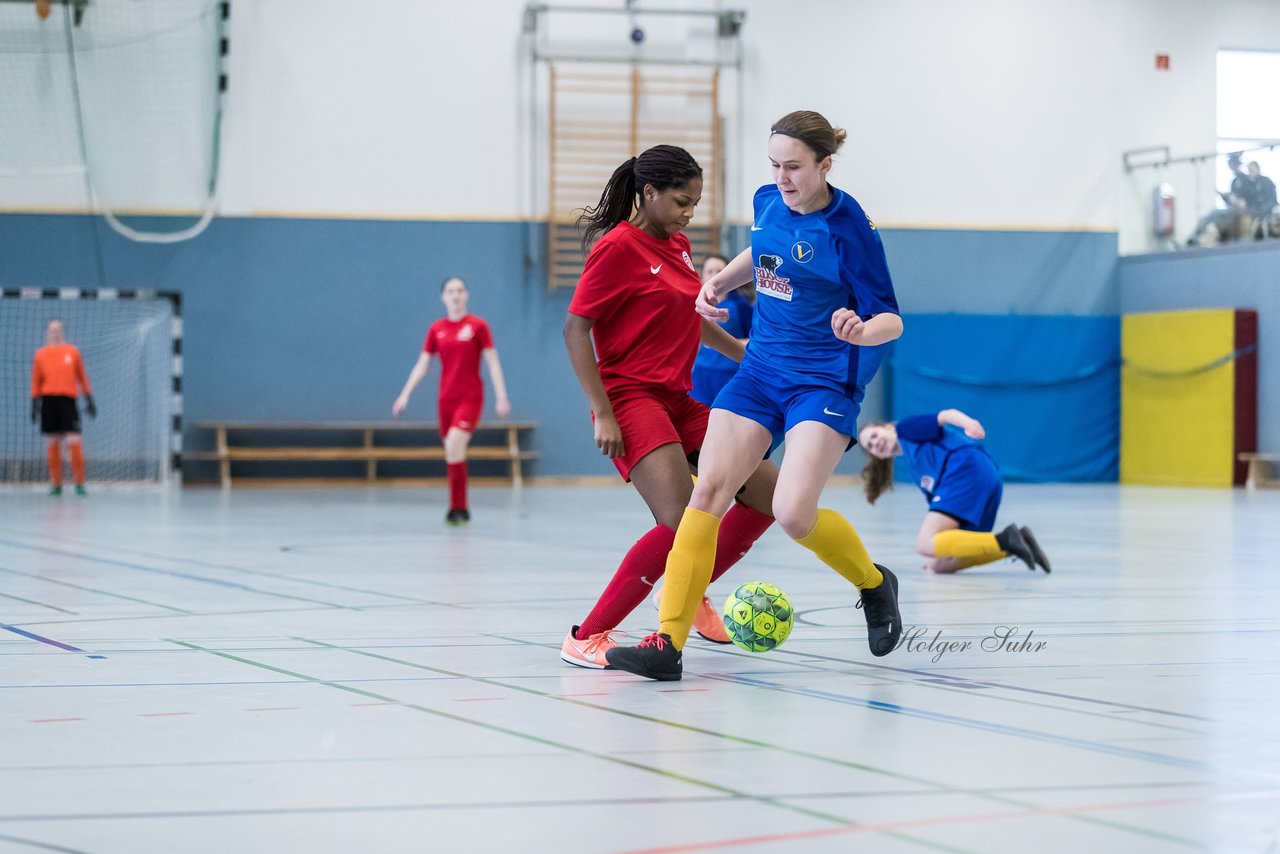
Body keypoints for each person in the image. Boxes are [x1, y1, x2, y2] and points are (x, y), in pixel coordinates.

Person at [607, 111, 905, 681]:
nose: (783, 177)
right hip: (760, 369)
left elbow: (890, 317)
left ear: (825, 165)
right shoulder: (768, 199)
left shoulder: (852, 233)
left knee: (793, 513)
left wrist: (862, 331)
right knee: (709, 494)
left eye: (795, 167)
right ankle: (666, 644)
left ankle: (873, 583)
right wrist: (720, 281)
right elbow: (766, 249)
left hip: (822, 379)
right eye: (775, 165)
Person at [560, 144, 779, 669]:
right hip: (630, 398)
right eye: (681, 201)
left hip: (678, 398)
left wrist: (740, 351)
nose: (688, 213)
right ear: (649, 193)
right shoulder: (616, 248)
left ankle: (684, 588)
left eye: (695, 203)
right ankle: (588, 635)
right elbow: (575, 328)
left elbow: (689, 315)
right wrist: (603, 411)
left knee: (770, 496)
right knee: (684, 520)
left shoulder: (677, 244)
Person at [858, 409, 1051, 575]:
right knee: (940, 564)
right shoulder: (914, 460)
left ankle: (1006, 540)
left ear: (887, 427)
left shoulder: (905, 429)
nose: (876, 444)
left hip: (965, 468)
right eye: (870, 446)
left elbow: (945, 415)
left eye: (874, 436)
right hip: (982, 475)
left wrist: (968, 423)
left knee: (925, 543)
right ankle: (1017, 543)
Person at [393, 277, 510, 526]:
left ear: (466, 295)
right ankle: (458, 506)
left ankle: (459, 508)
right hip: (446, 399)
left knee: (455, 446)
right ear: (443, 297)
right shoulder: (437, 329)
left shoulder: (478, 326)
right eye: (450, 291)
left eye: (459, 290)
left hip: (470, 398)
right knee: (452, 452)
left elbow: (492, 362)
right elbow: (422, 365)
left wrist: (501, 396)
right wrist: (405, 394)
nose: (455, 295)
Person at [31, 319, 95, 496]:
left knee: (73, 440)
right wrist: (34, 403)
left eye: (59, 330)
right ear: (47, 333)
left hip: (68, 401)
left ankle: (80, 483)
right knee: (53, 442)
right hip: (49, 401)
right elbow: (36, 381)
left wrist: (89, 398)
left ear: (63, 332)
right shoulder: (40, 355)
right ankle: (56, 484)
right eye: (52, 330)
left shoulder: (72, 352)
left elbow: (82, 377)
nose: (56, 333)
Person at [690, 254, 754, 407]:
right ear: (702, 276)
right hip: (701, 374)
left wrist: (723, 343)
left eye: (719, 271)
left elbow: (755, 338)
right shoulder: (695, 304)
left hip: (729, 374)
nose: (714, 275)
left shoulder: (740, 306)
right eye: (710, 271)